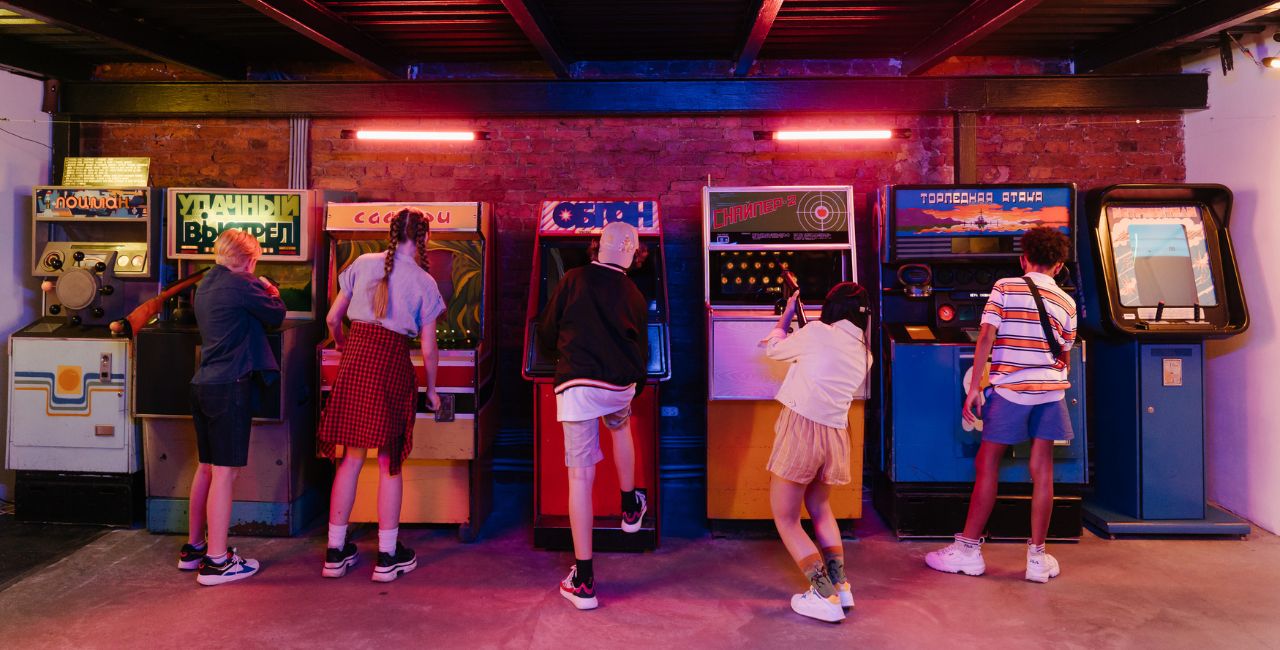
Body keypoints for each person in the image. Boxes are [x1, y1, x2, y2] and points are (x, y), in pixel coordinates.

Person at [925, 226, 1077, 583]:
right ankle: (1037, 559)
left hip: (1012, 390)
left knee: (987, 461)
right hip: (1051, 391)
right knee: (1042, 470)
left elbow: (985, 340)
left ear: (1023, 259)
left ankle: (968, 550)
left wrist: (977, 386)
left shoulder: (1005, 287)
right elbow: (1065, 355)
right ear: (1058, 265)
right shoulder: (1067, 302)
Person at [316, 207, 445, 583]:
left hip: (356, 359)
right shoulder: (424, 282)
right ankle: (387, 557)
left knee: (351, 458)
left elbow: (331, 319)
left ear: (391, 233)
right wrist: (433, 390)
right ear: (422, 239)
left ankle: (335, 552)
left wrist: (343, 345)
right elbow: (429, 347)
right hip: (391, 364)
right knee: (390, 461)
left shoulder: (362, 263)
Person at [537, 221, 649, 611]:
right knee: (620, 428)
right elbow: (643, 348)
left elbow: (546, 333)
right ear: (634, 254)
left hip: (578, 385)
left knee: (580, 478)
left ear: (597, 247)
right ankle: (630, 504)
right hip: (619, 384)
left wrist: (558, 354)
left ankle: (584, 580)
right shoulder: (635, 292)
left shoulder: (572, 279)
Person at [179, 229, 286, 586]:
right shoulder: (243, 284)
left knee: (206, 468)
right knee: (226, 473)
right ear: (249, 259)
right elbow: (276, 314)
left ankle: (195, 548)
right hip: (230, 386)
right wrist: (271, 288)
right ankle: (217, 562)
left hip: (203, 384)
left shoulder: (207, 283)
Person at [762, 282, 872, 623]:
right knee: (821, 508)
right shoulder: (864, 352)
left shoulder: (820, 333)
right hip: (835, 435)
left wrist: (785, 319)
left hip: (802, 429)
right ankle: (841, 586)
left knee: (786, 517)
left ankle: (822, 594)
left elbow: (775, 351)